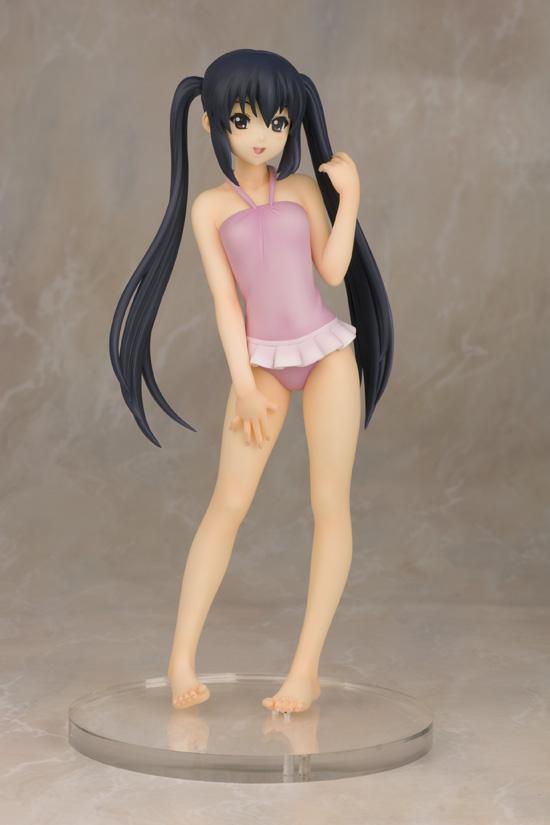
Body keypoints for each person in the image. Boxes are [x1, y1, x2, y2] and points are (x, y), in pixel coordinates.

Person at [110, 49, 393, 714]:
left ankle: (305, 669)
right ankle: (180, 657)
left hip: (326, 355)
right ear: (212, 124)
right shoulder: (210, 208)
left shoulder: (301, 191)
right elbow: (226, 303)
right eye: (244, 120)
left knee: (330, 504)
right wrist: (242, 381)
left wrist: (350, 196)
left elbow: (332, 270)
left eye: (278, 121)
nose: (263, 135)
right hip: (260, 364)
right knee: (228, 502)